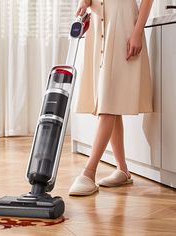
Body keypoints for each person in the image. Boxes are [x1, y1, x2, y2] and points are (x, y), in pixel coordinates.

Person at [69, 0, 154, 196]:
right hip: (99, 22)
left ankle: (89, 172)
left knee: (108, 101)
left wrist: (137, 32)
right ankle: (123, 170)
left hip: (122, 24)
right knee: (111, 99)